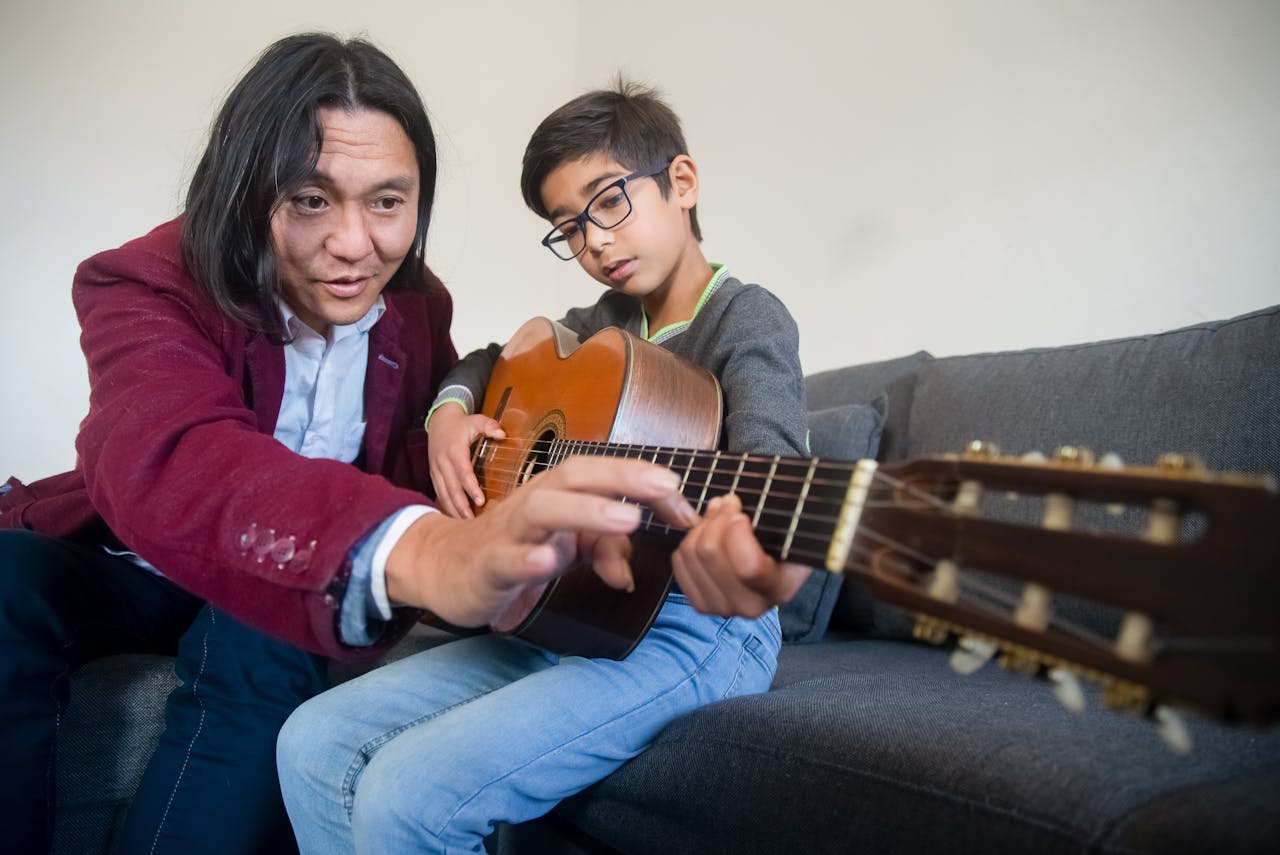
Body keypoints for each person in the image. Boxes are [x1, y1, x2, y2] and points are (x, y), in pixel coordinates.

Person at [0, 36, 792, 855]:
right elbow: (173, 449)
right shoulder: (146, 279)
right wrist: (447, 442)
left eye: (387, 202)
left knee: (269, 639)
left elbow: (768, 478)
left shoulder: (418, 303)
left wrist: (458, 447)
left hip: (311, 578)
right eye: (310, 199)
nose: (354, 244)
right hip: (144, 555)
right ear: (246, 190)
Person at [275, 79, 813, 854]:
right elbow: (491, 357)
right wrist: (448, 415)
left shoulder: (746, 316)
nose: (593, 241)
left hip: (696, 628)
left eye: (609, 203)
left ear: (682, 183)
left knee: (405, 797)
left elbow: (775, 471)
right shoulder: (603, 325)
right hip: (575, 606)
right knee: (310, 741)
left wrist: (744, 538)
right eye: (569, 226)